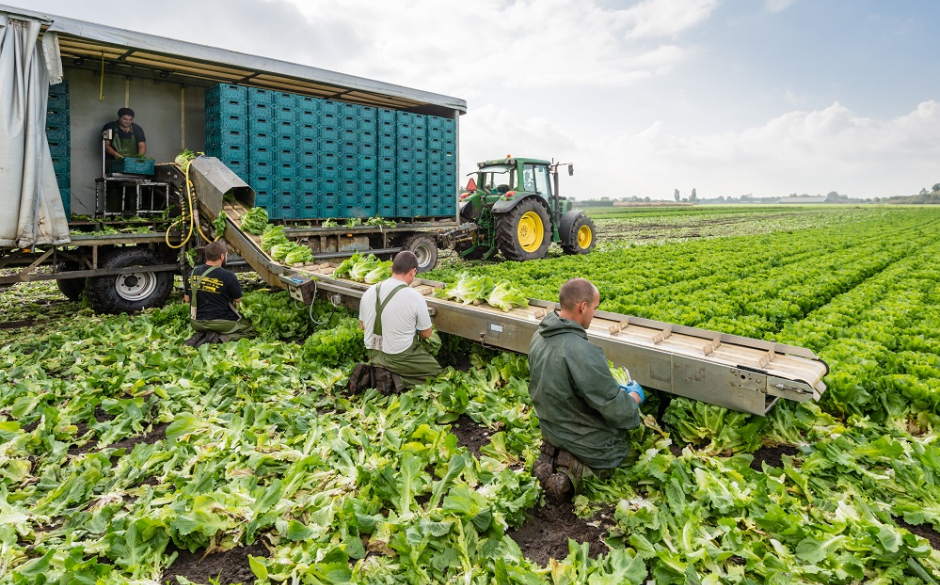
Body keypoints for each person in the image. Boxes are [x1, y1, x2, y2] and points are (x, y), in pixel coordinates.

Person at [528, 278, 645, 503]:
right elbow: (614, 407)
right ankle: (574, 473)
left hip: (550, 425)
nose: (594, 313)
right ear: (583, 306)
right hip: (577, 433)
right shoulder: (582, 351)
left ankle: (552, 455)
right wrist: (633, 398)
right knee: (623, 453)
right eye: (595, 308)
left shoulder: (539, 335)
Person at [349, 251, 443, 394]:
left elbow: (362, 326)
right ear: (413, 272)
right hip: (398, 355)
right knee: (436, 376)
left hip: (373, 353)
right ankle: (395, 380)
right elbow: (426, 334)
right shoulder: (414, 297)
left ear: (392, 268)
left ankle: (376, 371)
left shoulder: (369, 291)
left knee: (388, 357)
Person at [183, 241, 254, 346]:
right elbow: (238, 300)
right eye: (226, 255)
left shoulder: (191, 273)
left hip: (196, 322)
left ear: (206, 256)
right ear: (222, 256)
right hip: (220, 322)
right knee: (251, 330)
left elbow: (187, 299)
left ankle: (203, 334)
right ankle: (220, 338)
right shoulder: (228, 276)